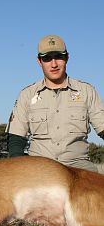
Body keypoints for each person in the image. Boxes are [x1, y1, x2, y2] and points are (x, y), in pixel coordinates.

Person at [6, 34, 104, 173]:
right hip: (39, 168)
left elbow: (102, 127)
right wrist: (19, 169)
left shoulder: (87, 91)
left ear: (67, 58)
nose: (54, 64)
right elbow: (16, 137)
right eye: (47, 58)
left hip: (78, 167)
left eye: (58, 56)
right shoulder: (27, 94)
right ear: (39, 61)